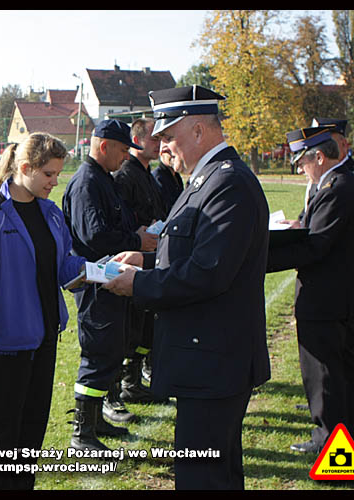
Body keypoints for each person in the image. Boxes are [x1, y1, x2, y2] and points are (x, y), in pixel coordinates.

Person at [104, 85, 271, 490]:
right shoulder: (207, 180)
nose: (163, 147)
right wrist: (144, 258)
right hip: (209, 358)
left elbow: (207, 273)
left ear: (198, 130)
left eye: (169, 136)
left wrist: (139, 283)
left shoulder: (226, 184)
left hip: (215, 362)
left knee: (202, 477)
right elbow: (193, 248)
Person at [0, 132, 85, 489]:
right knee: (1, 437)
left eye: (58, 174)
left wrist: (97, 270)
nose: (55, 182)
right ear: (26, 168)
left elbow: (62, 267)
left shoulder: (52, 213)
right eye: (49, 174)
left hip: (45, 339)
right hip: (4, 345)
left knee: (32, 433)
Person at [266, 125, 354, 453]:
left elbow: (315, 247)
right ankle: (350, 426)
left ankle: (328, 437)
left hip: (325, 294)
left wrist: (260, 258)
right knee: (343, 364)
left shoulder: (336, 186)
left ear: (321, 157)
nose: (299, 168)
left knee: (323, 368)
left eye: (302, 162)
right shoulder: (345, 180)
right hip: (344, 291)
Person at [62, 119, 151, 451]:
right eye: (123, 149)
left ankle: (96, 420)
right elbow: (95, 236)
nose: (126, 156)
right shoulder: (87, 182)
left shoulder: (104, 179)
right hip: (96, 284)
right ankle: (81, 433)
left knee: (112, 349)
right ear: (104, 146)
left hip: (111, 280)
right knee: (98, 352)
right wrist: (136, 240)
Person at [112, 117, 167, 405]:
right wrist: (138, 238)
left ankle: (134, 381)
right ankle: (127, 384)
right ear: (138, 140)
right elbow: (123, 221)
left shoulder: (148, 173)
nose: (159, 145)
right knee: (132, 325)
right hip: (132, 258)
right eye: (154, 139)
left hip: (150, 255)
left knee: (145, 323)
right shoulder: (125, 175)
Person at [152, 149, 184, 215]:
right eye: (169, 152)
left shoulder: (176, 175)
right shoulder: (158, 177)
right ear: (161, 153)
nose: (173, 155)